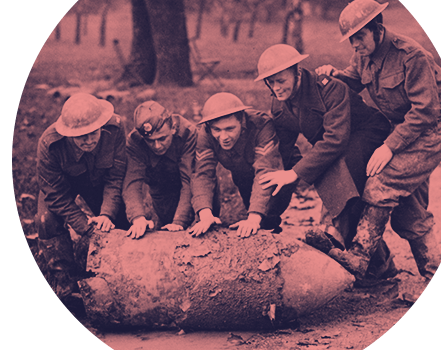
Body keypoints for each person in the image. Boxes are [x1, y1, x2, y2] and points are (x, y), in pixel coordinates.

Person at [314, 0, 441, 283]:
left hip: (432, 132)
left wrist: (389, 146)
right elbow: (353, 82)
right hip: (405, 129)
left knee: (381, 183)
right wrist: (333, 77)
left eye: (359, 37)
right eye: (351, 40)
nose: (355, 45)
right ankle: (431, 274)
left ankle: (359, 255)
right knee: (409, 211)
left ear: (377, 28)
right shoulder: (363, 56)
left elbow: (426, 111)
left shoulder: (411, 56)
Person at [254, 43, 395, 283]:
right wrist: (262, 210)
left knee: (340, 169)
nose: (275, 87)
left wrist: (296, 173)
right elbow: (284, 150)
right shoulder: (279, 104)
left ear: (297, 73)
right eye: (270, 82)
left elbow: (336, 140)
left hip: (368, 132)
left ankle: (332, 234)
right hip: (337, 143)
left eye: (280, 80)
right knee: (348, 190)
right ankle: (382, 267)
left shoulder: (330, 89)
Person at [36, 93, 129, 301]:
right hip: (63, 186)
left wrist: (107, 214)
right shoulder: (49, 144)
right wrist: (85, 227)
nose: (88, 141)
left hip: (100, 182)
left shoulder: (115, 128)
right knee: (45, 220)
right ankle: (66, 282)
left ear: (102, 125)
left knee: (122, 225)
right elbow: (55, 194)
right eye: (80, 136)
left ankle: (118, 279)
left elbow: (115, 177)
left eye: (93, 133)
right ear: (68, 134)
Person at [189, 92, 294, 238]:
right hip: (242, 171)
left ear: (242, 121)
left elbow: (266, 171)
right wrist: (205, 214)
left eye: (230, 129)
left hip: (279, 168)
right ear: (208, 126)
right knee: (256, 217)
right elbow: (202, 174)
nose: (223, 137)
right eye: (217, 130)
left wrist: (253, 218)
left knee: (269, 212)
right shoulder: (205, 134)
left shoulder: (261, 125)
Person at [123, 100, 197, 239]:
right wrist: (138, 217)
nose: (157, 146)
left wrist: (180, 220)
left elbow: (190, 180)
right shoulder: (134, 141)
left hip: (191, 187)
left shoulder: (188, 133)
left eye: (162, 138)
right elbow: (132, 182)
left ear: (173, 128)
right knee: (167, 233)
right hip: (161, 189)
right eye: (150, 141)